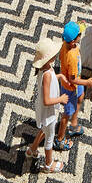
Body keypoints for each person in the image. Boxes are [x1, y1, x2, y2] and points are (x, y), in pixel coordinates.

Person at [27, 37, 69, 174]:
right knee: (49, 138)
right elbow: (47, 100)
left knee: (45, 130)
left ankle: (32, 149)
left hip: (45, 110)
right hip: (48, 111)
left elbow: (50, 79)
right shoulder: (46, 74)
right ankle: (48, 164)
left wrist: (60, 77)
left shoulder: (45, 70)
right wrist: (60, 99)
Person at [55, 21, 85, 150]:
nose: (81, 35)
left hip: (74, 86)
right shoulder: (72, 57)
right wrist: (87, 82)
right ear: (74, 40)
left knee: (81, 96)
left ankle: (73, 124)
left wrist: (79, 24)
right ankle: (60, 139)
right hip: (70, 88)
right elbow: (73, 80)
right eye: (80, 34)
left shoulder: (65, 45)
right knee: (66, 114)